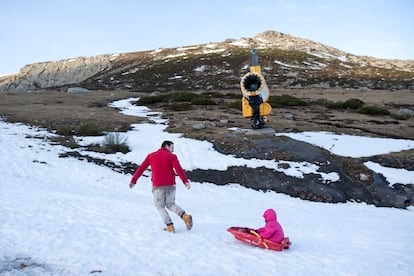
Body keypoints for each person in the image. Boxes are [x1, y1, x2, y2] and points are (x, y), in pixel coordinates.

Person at [129, 140, 192, 233]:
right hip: (171, 185)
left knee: (160, 206)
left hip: (158, 186)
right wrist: (185, 181)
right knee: (170, 204)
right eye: (172, 148)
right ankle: (185, 217)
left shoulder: (151, 156)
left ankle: (170, 226)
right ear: (166, 146)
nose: (173, 150)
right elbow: (179, 169)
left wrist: (133, 180)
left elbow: (141, 168)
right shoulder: (172, 157)